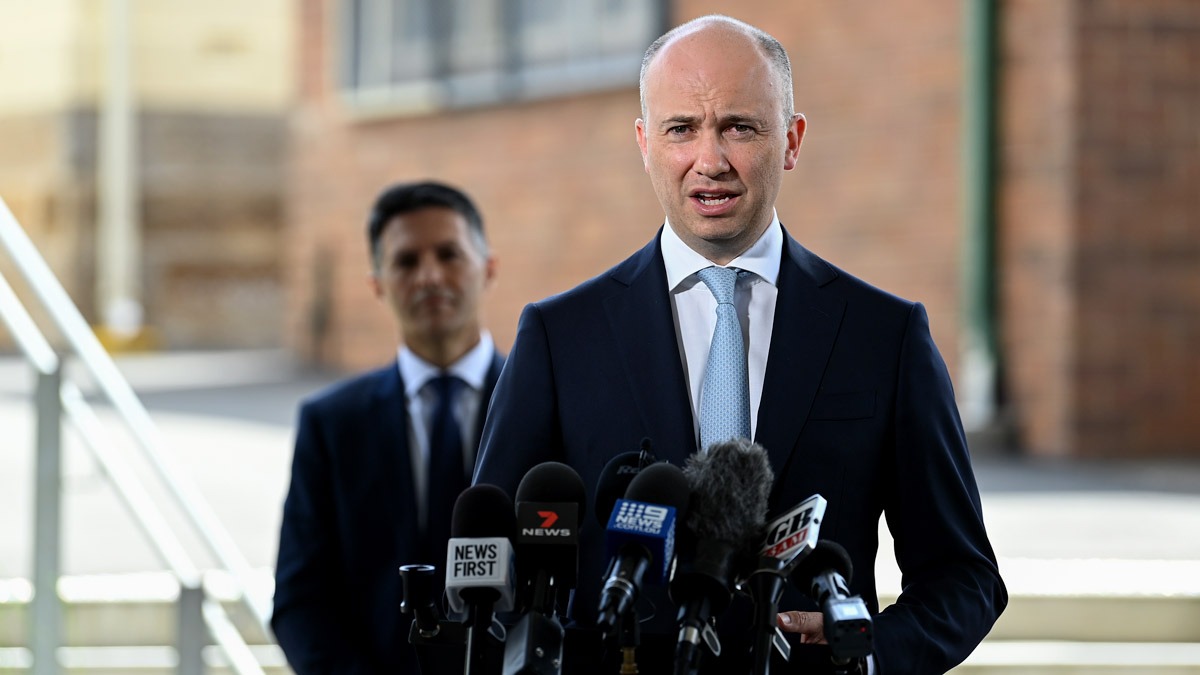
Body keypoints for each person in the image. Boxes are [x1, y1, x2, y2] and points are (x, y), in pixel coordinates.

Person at [473, 15, 1006, 675]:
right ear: (644, 143)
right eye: (681, 129)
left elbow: (964, 577)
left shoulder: (885, 336)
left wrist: (865, 657)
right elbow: (491, 568)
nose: (710, 159)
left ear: (791, 139)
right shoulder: (559, 337)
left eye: (739, 126)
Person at [272, 180, 504, 674]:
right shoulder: (331, 425)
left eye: (448, 254)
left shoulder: (544, 403)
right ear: (377, 282)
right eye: (405, 261)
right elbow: (299, 599)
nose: (429, 276)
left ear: (488, 268)